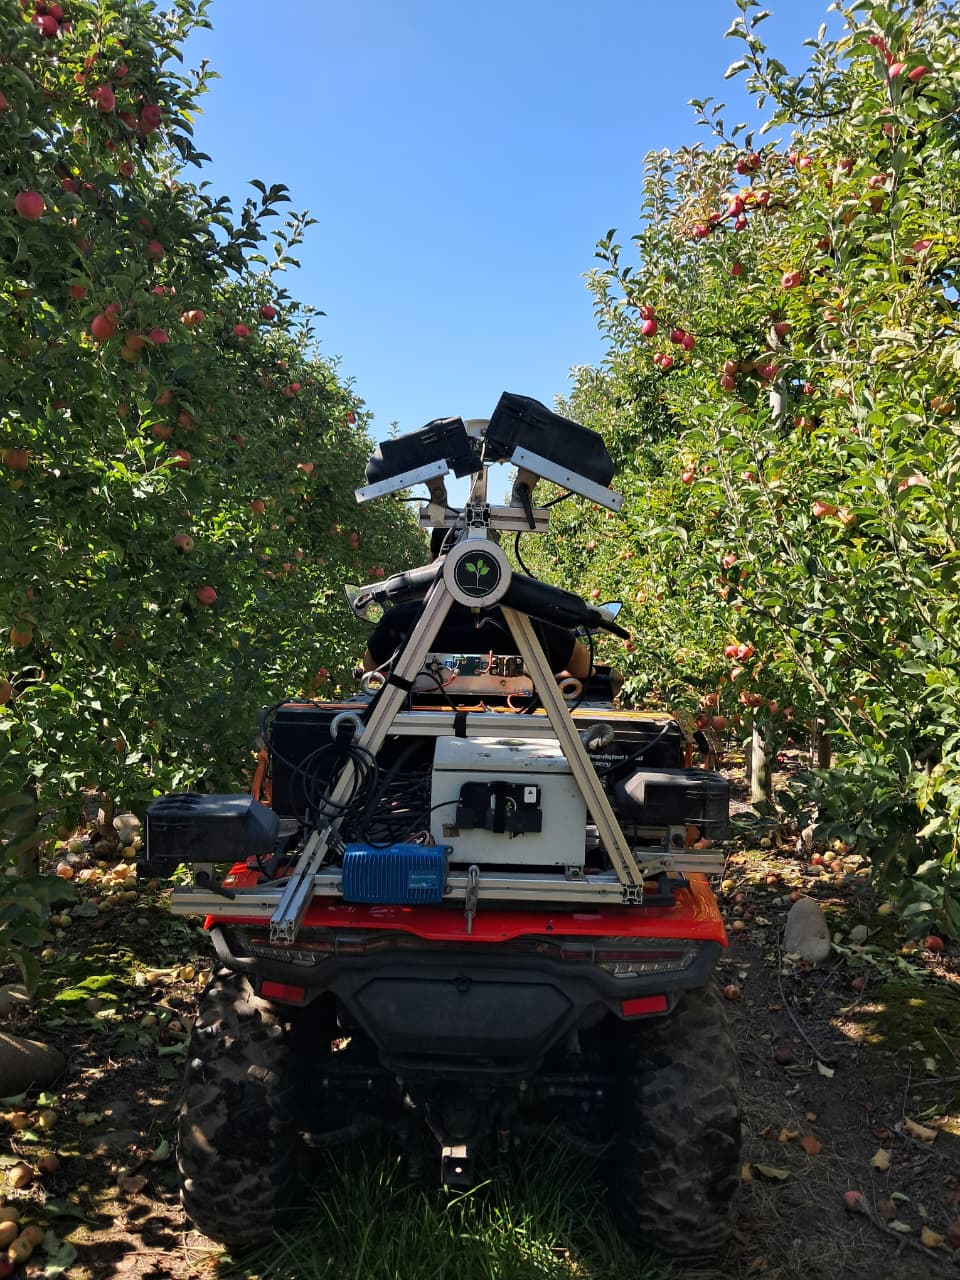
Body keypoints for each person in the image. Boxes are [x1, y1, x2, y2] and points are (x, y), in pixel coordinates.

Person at [362, 529, 592, 679]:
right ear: (496, 563)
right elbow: (583, 670)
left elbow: (370, 669)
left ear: (432, 563)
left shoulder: (401, 618)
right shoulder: (536, 620)